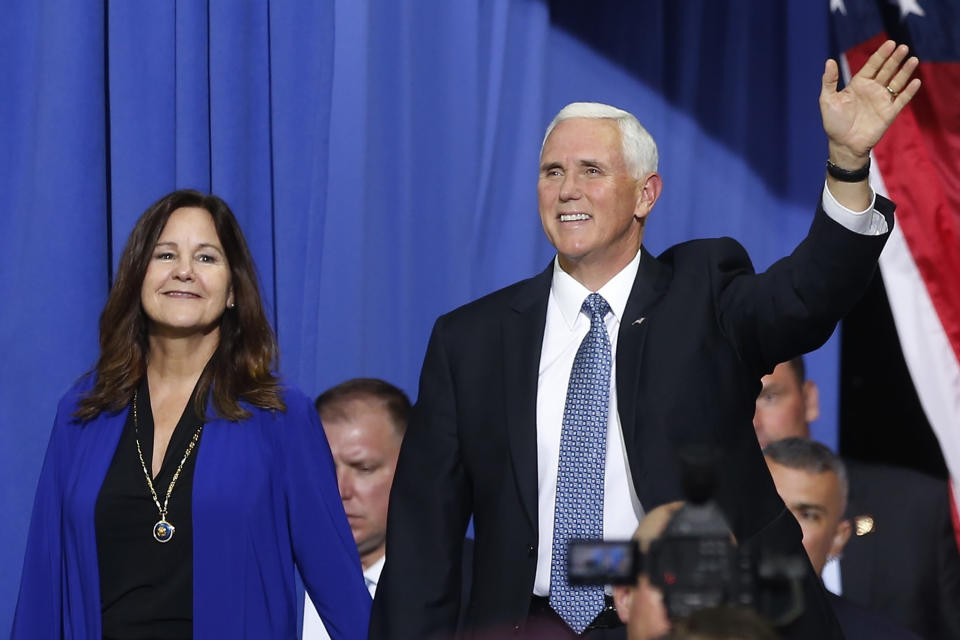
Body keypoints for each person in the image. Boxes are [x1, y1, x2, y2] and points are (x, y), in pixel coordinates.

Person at [371, 41, 920, 639]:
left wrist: (846, 164)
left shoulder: (704, 293)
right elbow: (425, 532)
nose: (566, 190)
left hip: (699, 623)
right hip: (531, 625)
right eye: (552, 171)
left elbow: (806, 298)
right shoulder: (469, 339)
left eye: (592, 171)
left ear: (645, 195)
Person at [12, 190, 370, 639]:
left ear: (234, 290)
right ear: (138, 275)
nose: (184, 270)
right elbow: (44, 586)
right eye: (165, 254)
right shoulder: (84, 410)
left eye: (206, 258)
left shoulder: (279, 415)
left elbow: (341, 589)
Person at [753, 358, 960, 639]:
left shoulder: (917, 507)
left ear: (810, 399)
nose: (751, 420)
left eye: (769, 396)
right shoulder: (692, 518)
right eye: (733, 403)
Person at [763, 438, 920, 640]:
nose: (784, 528)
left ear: (838, 538)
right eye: (770, 508)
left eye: (807, 515)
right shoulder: (710, 624)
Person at [303, 378, 411, 639]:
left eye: (364, 469)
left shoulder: (469, 585)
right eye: (324, 468)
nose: (340, 491)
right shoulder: (266, 577)